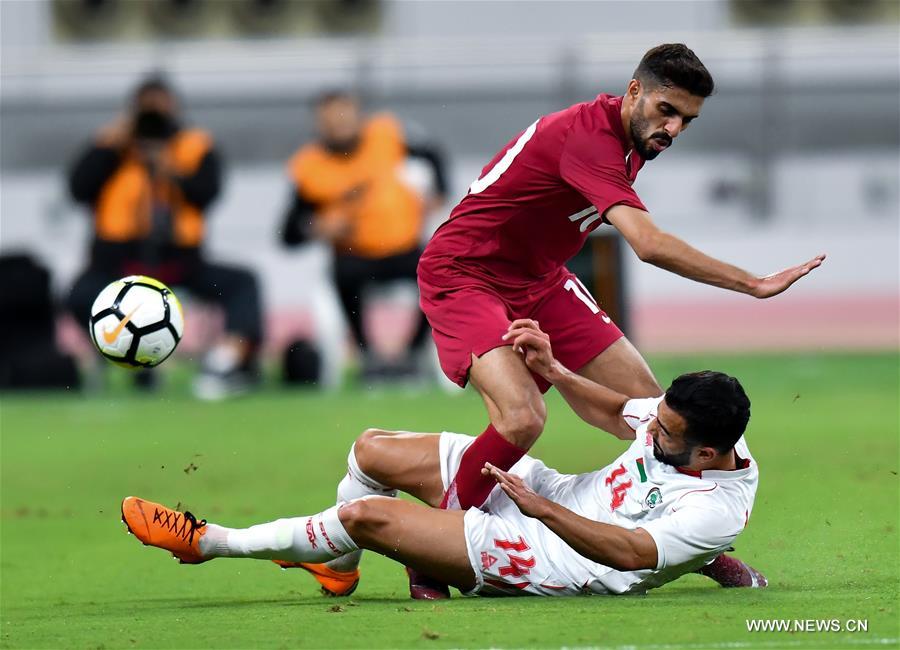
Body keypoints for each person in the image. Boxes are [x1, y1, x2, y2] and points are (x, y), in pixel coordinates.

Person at [411, 44, 824, 596]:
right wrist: (752, 283)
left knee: (659, 414)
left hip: (539, 278)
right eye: (665, 110)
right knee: (521, 421)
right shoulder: (589, 139)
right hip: (466, 273)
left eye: (686, 120)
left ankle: (691, 549)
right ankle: (433, 550)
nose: (673, 128)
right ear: (634, 91)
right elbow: (648, 245)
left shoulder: (635, 140)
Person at [121, 321, 765, 598]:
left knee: (370, 516)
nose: (650, 431)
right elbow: (617, 409)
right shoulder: (677, 422)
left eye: (665, 434)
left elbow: (627, 554)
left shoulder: (718, 510)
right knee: (371, 450)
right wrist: (557, 371)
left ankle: (208, 542)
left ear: (708, 454)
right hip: (556, 497)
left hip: (561, 559)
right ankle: (337, 565)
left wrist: (539, 512)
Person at [66, 74, 264, 399]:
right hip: (118, 264)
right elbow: (78, 189)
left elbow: (209, 193)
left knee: (243, 283)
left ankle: (227, 361)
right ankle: (124, 356)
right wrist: (111, 146)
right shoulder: (112, 147)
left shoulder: (193, 146)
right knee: (77, 294)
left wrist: (169, 169)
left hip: (181, 262)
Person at [280, 91, 448, 381]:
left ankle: (411, 352)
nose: (339, 124)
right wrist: (317, 226)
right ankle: (368, 354)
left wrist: (439, 192)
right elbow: (289, 231)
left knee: (441, 271)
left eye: (344, 115)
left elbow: (433, 154)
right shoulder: (310, 165)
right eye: (330, 119)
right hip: (354, 254)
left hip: (403, 247)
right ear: (319, 124)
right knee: (343, 275)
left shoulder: (387, 135)